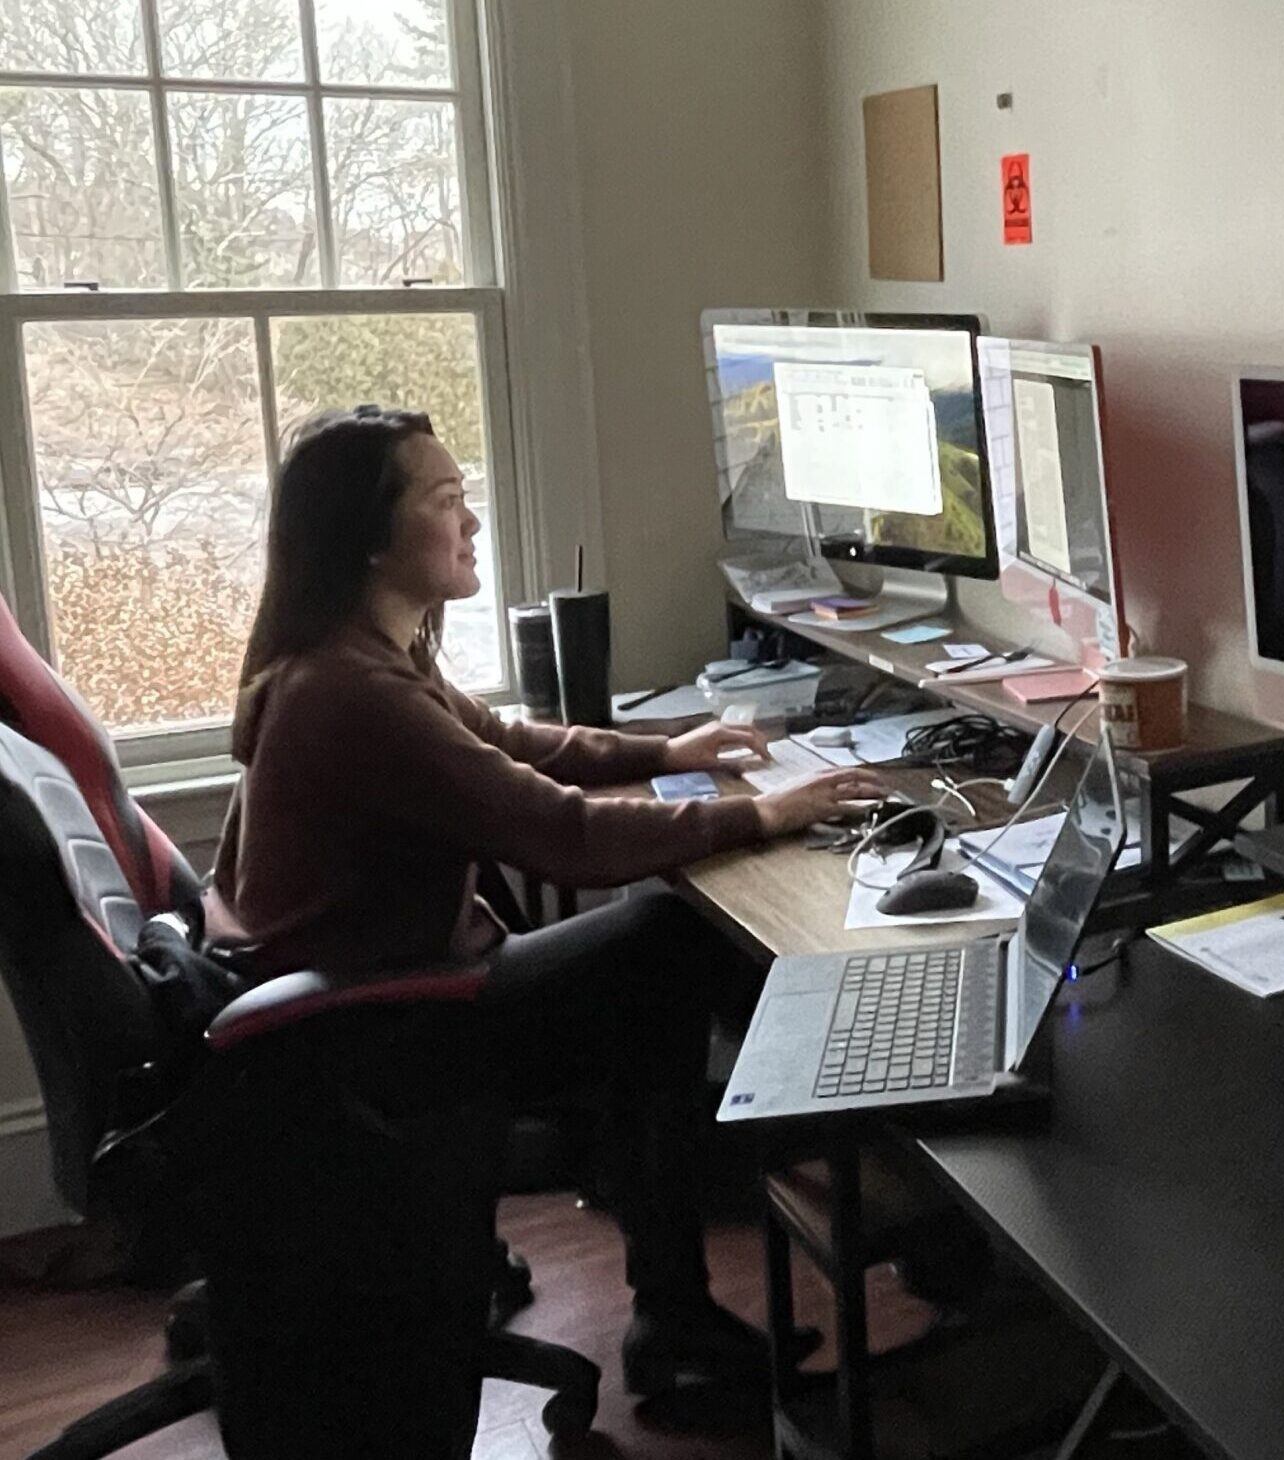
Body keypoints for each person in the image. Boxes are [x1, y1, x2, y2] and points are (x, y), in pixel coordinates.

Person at [211, 406, 900, 1397]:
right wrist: (766, 813)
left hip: (382, 999)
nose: (472, 520)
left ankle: (694, 1293)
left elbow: (515, 743)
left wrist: (668, 751)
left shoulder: (365, 654)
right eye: (446, 500)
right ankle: (846, 1191)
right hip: (376, 1034)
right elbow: (561, 834)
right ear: (369, 538)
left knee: (650, 970)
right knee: (671, 943)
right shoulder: (350, 691)